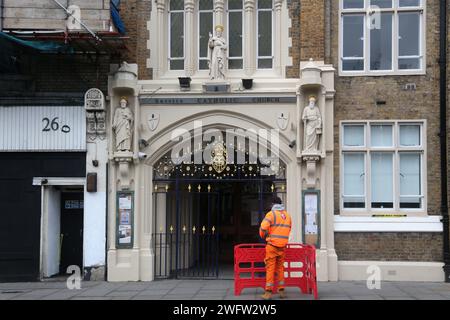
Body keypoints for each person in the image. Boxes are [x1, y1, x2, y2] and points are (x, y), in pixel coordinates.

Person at [259, 196, 292, 300]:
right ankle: (281, 291)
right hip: (282, 246)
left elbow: (263, 228)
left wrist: (264, 235)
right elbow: (288, 229)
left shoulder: (271, 214)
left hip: (272, 246)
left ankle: (268, 292)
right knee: (280, 268)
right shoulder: (287, 216)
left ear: (273, 204)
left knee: (270, 268)